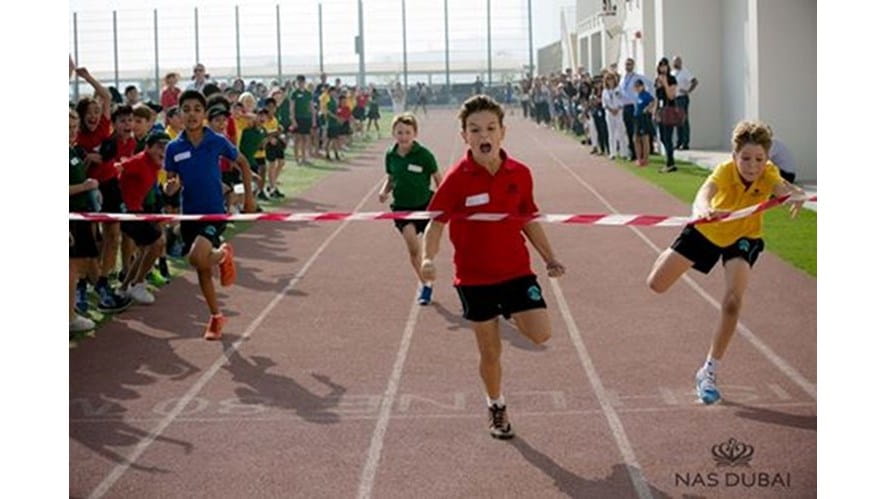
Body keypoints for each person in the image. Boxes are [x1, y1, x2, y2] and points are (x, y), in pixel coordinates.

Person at [420, 95, 566, 439]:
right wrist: (428, 258)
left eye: (490, 128)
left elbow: (528, 219)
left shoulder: (521, 174)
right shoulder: (456, 179)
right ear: (464, 136)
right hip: (474, 279)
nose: (483, 134)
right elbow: (435, 224)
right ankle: (496, 404)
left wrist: (549, 257)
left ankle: (510, 310)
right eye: (475, 129)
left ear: (502, 132)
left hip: (516, 272)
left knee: (541, 333)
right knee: (490, 351)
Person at [645, 120, 806, 405]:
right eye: (745, 158)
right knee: (656, 284)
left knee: (733, 301)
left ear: (767, 158)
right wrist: (704, 209)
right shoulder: (724, 171)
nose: (752, 166)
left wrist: (794, 195)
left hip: (743, 235)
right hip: (708, 229)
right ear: (734, 156)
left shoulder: (767, 173)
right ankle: (671, 249)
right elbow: (704, 193)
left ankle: (709, 371)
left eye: (759, 159)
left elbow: (781, 188)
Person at [163, 90, 256, 340]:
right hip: (189, 215)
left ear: (203, 114)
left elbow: (244, 163)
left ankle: (223, 253)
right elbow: (171, 179)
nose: (191, 114)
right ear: (179, 114)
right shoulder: (173, 147)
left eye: (196, 109)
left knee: (196, 257)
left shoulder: (216, 140)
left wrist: (249, 198)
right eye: (186, 109)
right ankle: (216, 317)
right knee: (202, 269)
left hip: (214, 212)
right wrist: (170, 186)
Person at [378, 113, 442, 305]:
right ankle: (426, 286)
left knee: (429, 250)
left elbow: (439, 179)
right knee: (414, 250)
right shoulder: (390, 155)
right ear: (393, 133)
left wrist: (444, 200)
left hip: (426, 206)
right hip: (403, 209)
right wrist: (384, 192)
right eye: (399, 132)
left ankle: (428, 264)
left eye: (407, 132)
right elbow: (391, 178)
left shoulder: (424, 155)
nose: (403, 136)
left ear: (415, 133)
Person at [117, 131, 170, 305]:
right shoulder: (139, 161)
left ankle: (124, 288)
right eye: (159, 147)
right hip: (127, 212)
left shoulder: (155, 165)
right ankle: (137, 284)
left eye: (166, 148)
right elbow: (119, 167)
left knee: (147, 248)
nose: (163, 151)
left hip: (139, 210)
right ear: (147, 148)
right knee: (157, 243)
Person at [69, 107, 100, 333]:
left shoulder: (73, 151)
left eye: (74, 127)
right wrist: (85, 186)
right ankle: (69, 317)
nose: (71, 131)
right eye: (67, 127)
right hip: (69, 215)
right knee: (71, 267)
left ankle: (70, 311)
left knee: (77, 266)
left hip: (80, 214)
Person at [654, 57, 679, 173]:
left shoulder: (672, 79)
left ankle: (670, 163)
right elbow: (657, 98)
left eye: (664, 65)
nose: (662, 67)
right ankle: (670, 160)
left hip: (669, 109)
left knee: (668, 137)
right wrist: (654, 111)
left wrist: (665, 83)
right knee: (663, 137)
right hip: (660, 110)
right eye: (660, 65)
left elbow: (671, 96)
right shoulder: (657, 80)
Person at [672, 56, 698, 150]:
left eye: (678, 61)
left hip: (682, 98)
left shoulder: (685, 72)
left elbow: (695, 81)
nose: (676, 63)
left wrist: (688, 91)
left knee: (683, 120)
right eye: (675, 61)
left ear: (681, 62)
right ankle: (679, 142)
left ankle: (685, 143)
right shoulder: (673, 73)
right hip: (674, 98)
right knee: (677, 121)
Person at [288, 75, 314, 165]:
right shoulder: (294, 93)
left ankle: (304, 158)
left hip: (306, 118)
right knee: (297, 139)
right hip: (298, 118)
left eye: (302, 82)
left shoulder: (308, 93)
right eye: (299, 82)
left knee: (306, 138)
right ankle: (297, 159)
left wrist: (313, 119)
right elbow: (291, 107)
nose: (300, 83)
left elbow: (311, 107)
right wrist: (293, 119)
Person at [602, 72, 629, 159]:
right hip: (609, 113)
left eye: (612, 79)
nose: (610, 81)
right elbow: (604, 103)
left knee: (621, 132)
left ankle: (623, 152)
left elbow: (623, 100)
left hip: (619, 112)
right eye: (608, 79)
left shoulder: (619, 89)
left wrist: (617, 109)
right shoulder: (605, 91)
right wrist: (611, 109)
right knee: (611, 133)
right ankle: (612, 152)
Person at [632, 79, 655, 166]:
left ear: (642, 86)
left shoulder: (646, 95)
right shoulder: (637, 96)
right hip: (636, 118)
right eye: (636, 86)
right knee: (636, 139)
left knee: (645, 139)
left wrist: (648, 108)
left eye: (639, 86)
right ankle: (639, 159)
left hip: (644, 118)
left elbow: (653, 101)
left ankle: (646, 159)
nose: (637, 88)